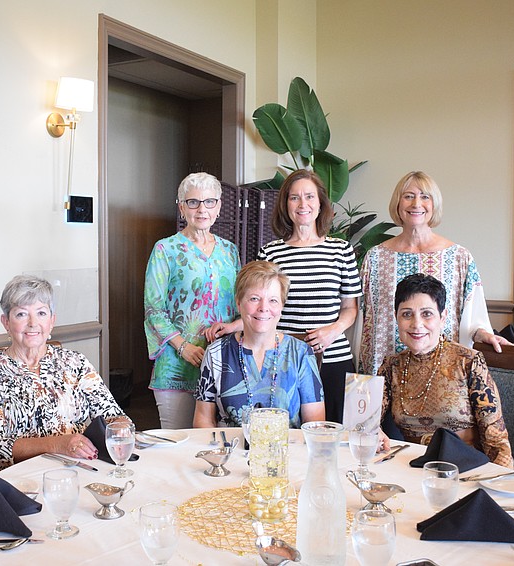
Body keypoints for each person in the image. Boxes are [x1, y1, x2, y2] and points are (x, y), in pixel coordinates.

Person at [0, 275, 129, 474]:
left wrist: (121, 428)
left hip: (79, 470)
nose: (33, 323)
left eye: (41, 313)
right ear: (6, 323)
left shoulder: (75, 362)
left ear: (52, 321)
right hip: (18, 481)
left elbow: (113, 415)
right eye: (21, 314)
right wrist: (58, 444)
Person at [358, 171, 509, 375]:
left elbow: (473, 314)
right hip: (382, 370)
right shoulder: (375, 258)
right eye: (408, 196)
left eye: (425, 196)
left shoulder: (459, 257)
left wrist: (483, 334)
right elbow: (360, 314)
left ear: (434, 204)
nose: (416, 203)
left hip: (441, 374)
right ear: (397, 203)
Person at [254, 169, 361, 422]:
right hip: (283, 360)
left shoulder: (341, 250)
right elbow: (259, 309)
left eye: (310, 197)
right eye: (294, 198)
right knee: (284, 434)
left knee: (336, 438)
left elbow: (350, 308)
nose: (303, 204)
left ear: (321, 203)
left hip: (334, 360)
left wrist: (333, 331)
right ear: (285, 204)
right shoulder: (270, 253)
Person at [379, 273, 514, 467]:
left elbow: (496, 439)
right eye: (407, 314)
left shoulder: (468, 361)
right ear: (396, 318)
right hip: (414, 466)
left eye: (427, 314)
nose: (417, 324)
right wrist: (372, 431)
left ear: (442, 318)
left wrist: (501, 482)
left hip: (467, 469)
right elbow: (364, 420)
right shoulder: (391, 366)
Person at [144, 172, 241, 429]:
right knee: (177, 445)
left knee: (219, 444)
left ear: (219, 206)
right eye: (193, 202)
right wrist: (183, 347)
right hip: (177, 365)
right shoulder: (165, 249)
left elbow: (239, 304)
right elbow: (153, 309)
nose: (201, 209)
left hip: (223, 362)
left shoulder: (230, 251)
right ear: (181, 207)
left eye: (209, 201)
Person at [194, 260, 325, 428]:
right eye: (254, 298)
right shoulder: (216, 353)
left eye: (273, 300)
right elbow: (203, 420)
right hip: (230, 450)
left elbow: (315, 424)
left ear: (282, 306)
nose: (264, 308)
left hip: (286, 451)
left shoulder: (300, 353)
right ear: (239, 303)